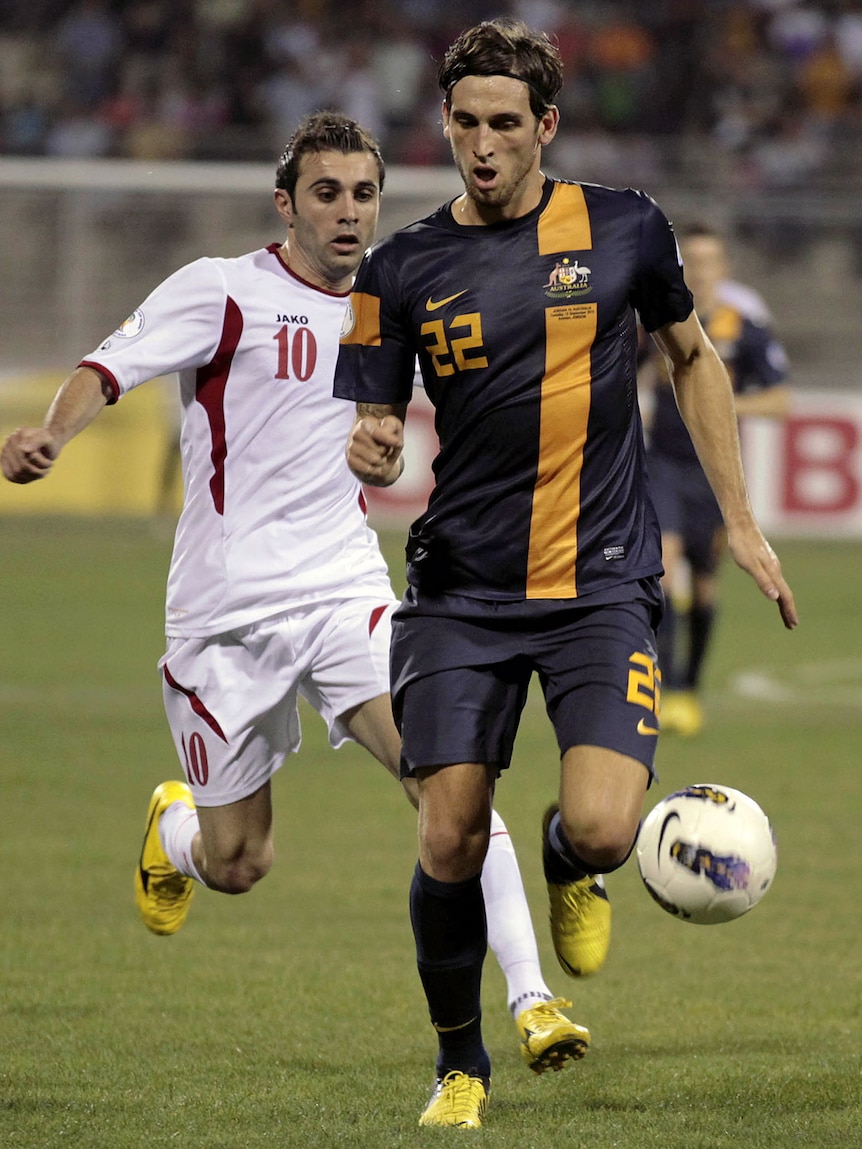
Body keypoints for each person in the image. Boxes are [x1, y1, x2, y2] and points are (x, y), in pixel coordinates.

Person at [0, 111, 587, 1076]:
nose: (350, 212)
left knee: (452, 785)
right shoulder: (223, 291)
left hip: (344, 591)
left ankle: (531, 999)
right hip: (223, 616)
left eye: (364, 193)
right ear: (286, 202)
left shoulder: (394, 297)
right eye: (328, 193)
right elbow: (106, 366)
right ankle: (176, 826)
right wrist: (53, 438)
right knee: (239, 862)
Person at [334, 19, 798, 1129]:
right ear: (442, 124)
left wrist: (739, 521)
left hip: (599, 584)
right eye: (464, 123)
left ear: (544, 125)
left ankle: (564, 861)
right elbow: (375, 417)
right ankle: (460, 1063)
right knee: (445, 831)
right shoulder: (397, 269)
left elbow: (691, 357)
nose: (482, 145)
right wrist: (374, 443)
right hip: (460, 593)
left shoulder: (626, 226)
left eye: (505, 124)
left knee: (599, 828)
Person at [642, 224, 792, 736]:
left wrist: (720, 405)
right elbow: (623, 368)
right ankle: (660, 686)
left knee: (704, 587)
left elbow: (779, 401)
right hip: (659, 462)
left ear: (723, 271)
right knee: (661, 568)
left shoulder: (742, 327)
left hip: (713, 471)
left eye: (708, 261)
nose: (699, 271)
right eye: (691, 261)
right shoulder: (658, 318)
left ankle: (689, 686)